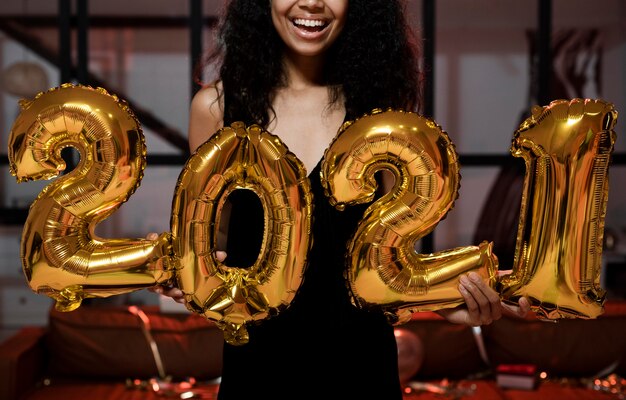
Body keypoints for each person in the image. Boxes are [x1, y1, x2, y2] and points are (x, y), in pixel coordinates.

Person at [152, 1, 530, 399]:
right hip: (259, 375)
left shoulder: (381, 109)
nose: (313, 2)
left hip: (363, 373)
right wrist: (186, 274)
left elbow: (393, 265)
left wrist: (447, 301)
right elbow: (212, 248)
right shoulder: (217, 109)